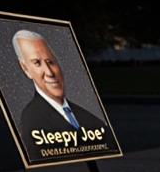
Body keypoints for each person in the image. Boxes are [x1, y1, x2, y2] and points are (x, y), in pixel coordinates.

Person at [13, 29, 108, 159]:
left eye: (50, 61)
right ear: (25, 68)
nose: (49, 72)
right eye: (37, 63)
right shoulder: (31, 119)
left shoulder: (92, 120)